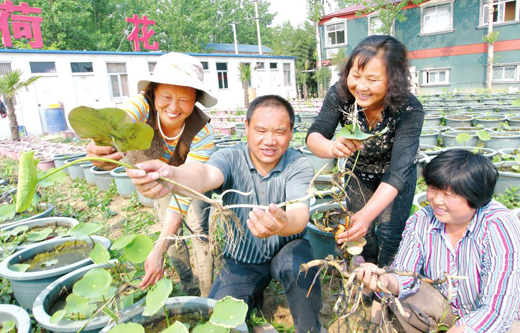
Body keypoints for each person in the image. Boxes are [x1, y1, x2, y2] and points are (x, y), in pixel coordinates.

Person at [127, 95, 324, 333]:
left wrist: (282, 224)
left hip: (287, 248)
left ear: (291, 132)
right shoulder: (230, 158)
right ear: (247, 127)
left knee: (301, 267)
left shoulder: (298, 164)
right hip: (243, 257)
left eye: (279, 132)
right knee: (220, 317)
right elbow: (204, 175)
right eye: (261, 130)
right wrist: (172, 175)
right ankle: (254, 300)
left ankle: (311, 328)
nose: (269, 141)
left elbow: (300, 213)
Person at [86, 52, 216, 296]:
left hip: (190, 182)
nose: (174, 107)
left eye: (184, 100)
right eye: (166, 96)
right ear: (153, 92)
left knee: (198, 232)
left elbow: (185, 196)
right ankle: (189, 285)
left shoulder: (203, 132)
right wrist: (100, 146)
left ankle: (208, 293)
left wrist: (156, 248)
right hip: (157, 183)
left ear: (196, 100)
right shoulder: (140, 108)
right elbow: (120, 120)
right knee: (171, 241)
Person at [356, 149, 520, 333]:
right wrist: (384, 280)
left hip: (493, 318)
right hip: (446, 308)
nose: (436, 200)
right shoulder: (422, 220)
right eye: (433, 188)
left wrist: (463, 330)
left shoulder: (499, 226)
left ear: (477, 198)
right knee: (404, 299)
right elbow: (405, 276)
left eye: (449, 195)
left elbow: (498, 311)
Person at [306, 35, 424, 267]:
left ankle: (385, 287)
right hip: (358, 176)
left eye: (372, 79)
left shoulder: (409, 109)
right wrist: (332, 147)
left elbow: (398, 172)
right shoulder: (341, 95)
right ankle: (366, 284)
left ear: (393, 80)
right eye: (356, 75)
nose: (361, 86)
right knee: (363, 235)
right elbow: (314, 135)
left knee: (390, 235)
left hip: (396, 180)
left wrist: (368, 214)